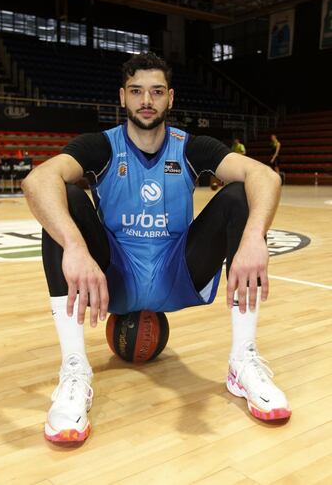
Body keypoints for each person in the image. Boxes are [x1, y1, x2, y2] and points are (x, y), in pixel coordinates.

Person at [22, 52, 291, 443]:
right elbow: (36, 180)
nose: (146, 100)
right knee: (60, 198)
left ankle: (242, 361)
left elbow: (264, 175)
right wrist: (76, 246)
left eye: (156, 91)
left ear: (170, 98)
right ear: (122, 97)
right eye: (136, 91)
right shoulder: (101, 147)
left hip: (178, 272)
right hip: (114, 279)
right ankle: (75, 370)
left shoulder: (190, 147)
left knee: (239, 196)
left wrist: (253, 236)